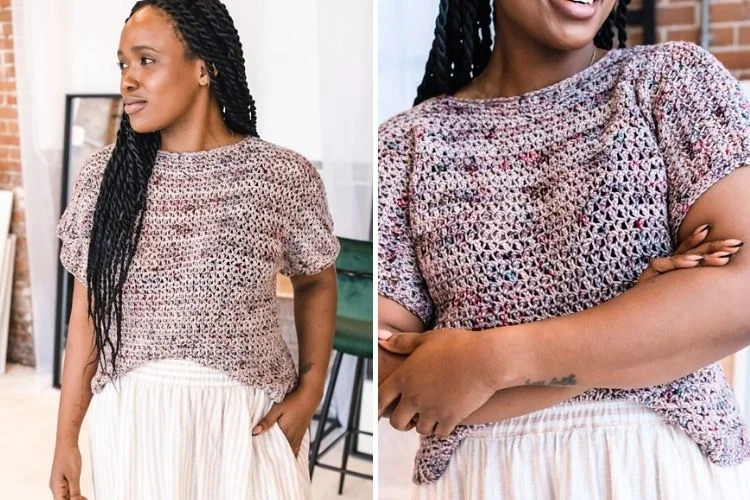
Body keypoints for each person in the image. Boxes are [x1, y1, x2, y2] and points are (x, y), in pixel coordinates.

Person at [377, 0, 750, 498]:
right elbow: (404, 384)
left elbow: (740, 294)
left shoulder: (672, 81)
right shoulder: (407, 144)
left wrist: (491, 363)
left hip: (660, 471)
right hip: (485, 481)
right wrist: (634, 331)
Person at [49, 1, 339, 499]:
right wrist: (65, 439)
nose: (127, 81)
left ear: (204, 67)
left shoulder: (281, 176)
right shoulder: (104, 179)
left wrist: (310, 391)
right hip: (134, 421)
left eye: (146, 60)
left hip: (246, 421)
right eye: (123, 64)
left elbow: (316, 281)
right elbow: (87, 316)